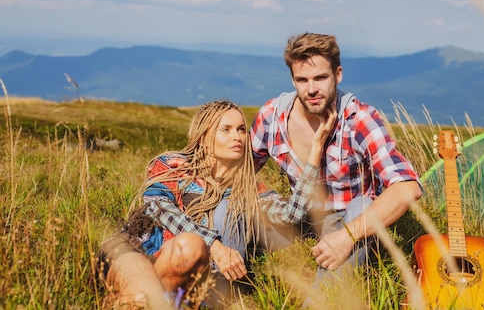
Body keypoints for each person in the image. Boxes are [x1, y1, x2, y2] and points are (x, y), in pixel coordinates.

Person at [97, 99, 336, 309]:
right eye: (226, 130)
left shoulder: (248, 188)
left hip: (187, 273)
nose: (238, 136)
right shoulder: (173, 164)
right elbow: (157, 206)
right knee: (144, 292)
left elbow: (291, 215)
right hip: (139, 252)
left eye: (242, 129)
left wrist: (315, 152)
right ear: (204, 136)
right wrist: (215, 246)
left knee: (161, 286)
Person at [250, 32, 423, 278]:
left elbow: (408, 188)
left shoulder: (359, 119)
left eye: (320, 78)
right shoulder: (271, 117)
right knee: (230, 211)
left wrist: (348, 235)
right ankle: (220, 291)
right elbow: (239, 173)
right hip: (295, 216)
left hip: (345, 220)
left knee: (363, 205)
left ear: (338, 75)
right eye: (302, 80)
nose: (311, 89)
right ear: (292, 79)